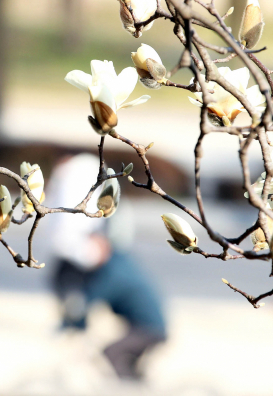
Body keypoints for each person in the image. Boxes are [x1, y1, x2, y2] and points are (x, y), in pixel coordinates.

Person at [47, 153, 166, 380]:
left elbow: (95, 294)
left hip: (151, 329)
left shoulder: (114, 268)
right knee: (124, 362)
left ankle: (129, 389)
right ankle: (134, 385)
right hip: (150, 326)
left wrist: (71, 322)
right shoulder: (120, 261)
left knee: (112, 355)